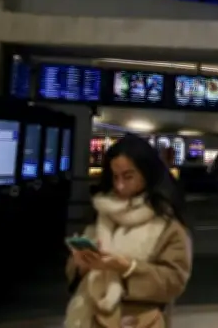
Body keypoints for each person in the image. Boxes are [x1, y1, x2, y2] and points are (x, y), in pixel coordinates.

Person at [64, 134, 191, 328]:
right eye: (115, 177)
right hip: (87, 318)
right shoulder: (103, 212)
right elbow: (75, 275)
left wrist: (128, 267)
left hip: (137, 321)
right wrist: (82, 265)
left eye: (128, 176)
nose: (120, 185)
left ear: (146, 173)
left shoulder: (167, 225)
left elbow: (174, 281)